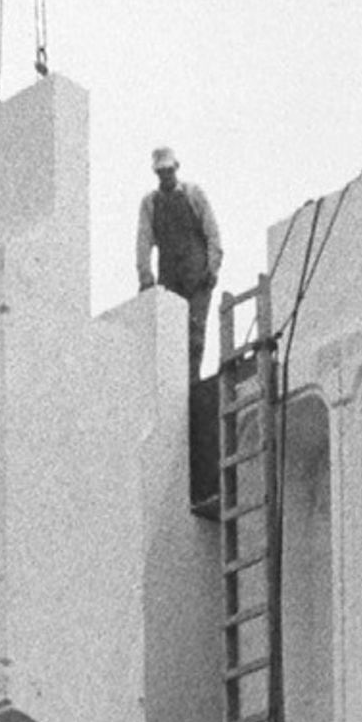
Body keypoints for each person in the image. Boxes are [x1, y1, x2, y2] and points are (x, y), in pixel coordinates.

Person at [135, 147, 223, 509]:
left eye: (169, 171)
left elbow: (213, 232)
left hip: (196, 273)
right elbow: (143, 240)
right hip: (171, 277)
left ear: (177, 170)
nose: (166, 177)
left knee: (196, 335)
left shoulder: (194, 195)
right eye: (161, 173)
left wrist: (213, 268)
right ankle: (180, 384)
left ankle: (192, 381)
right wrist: (145, 277)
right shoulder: (152, 204)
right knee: (175, 337)